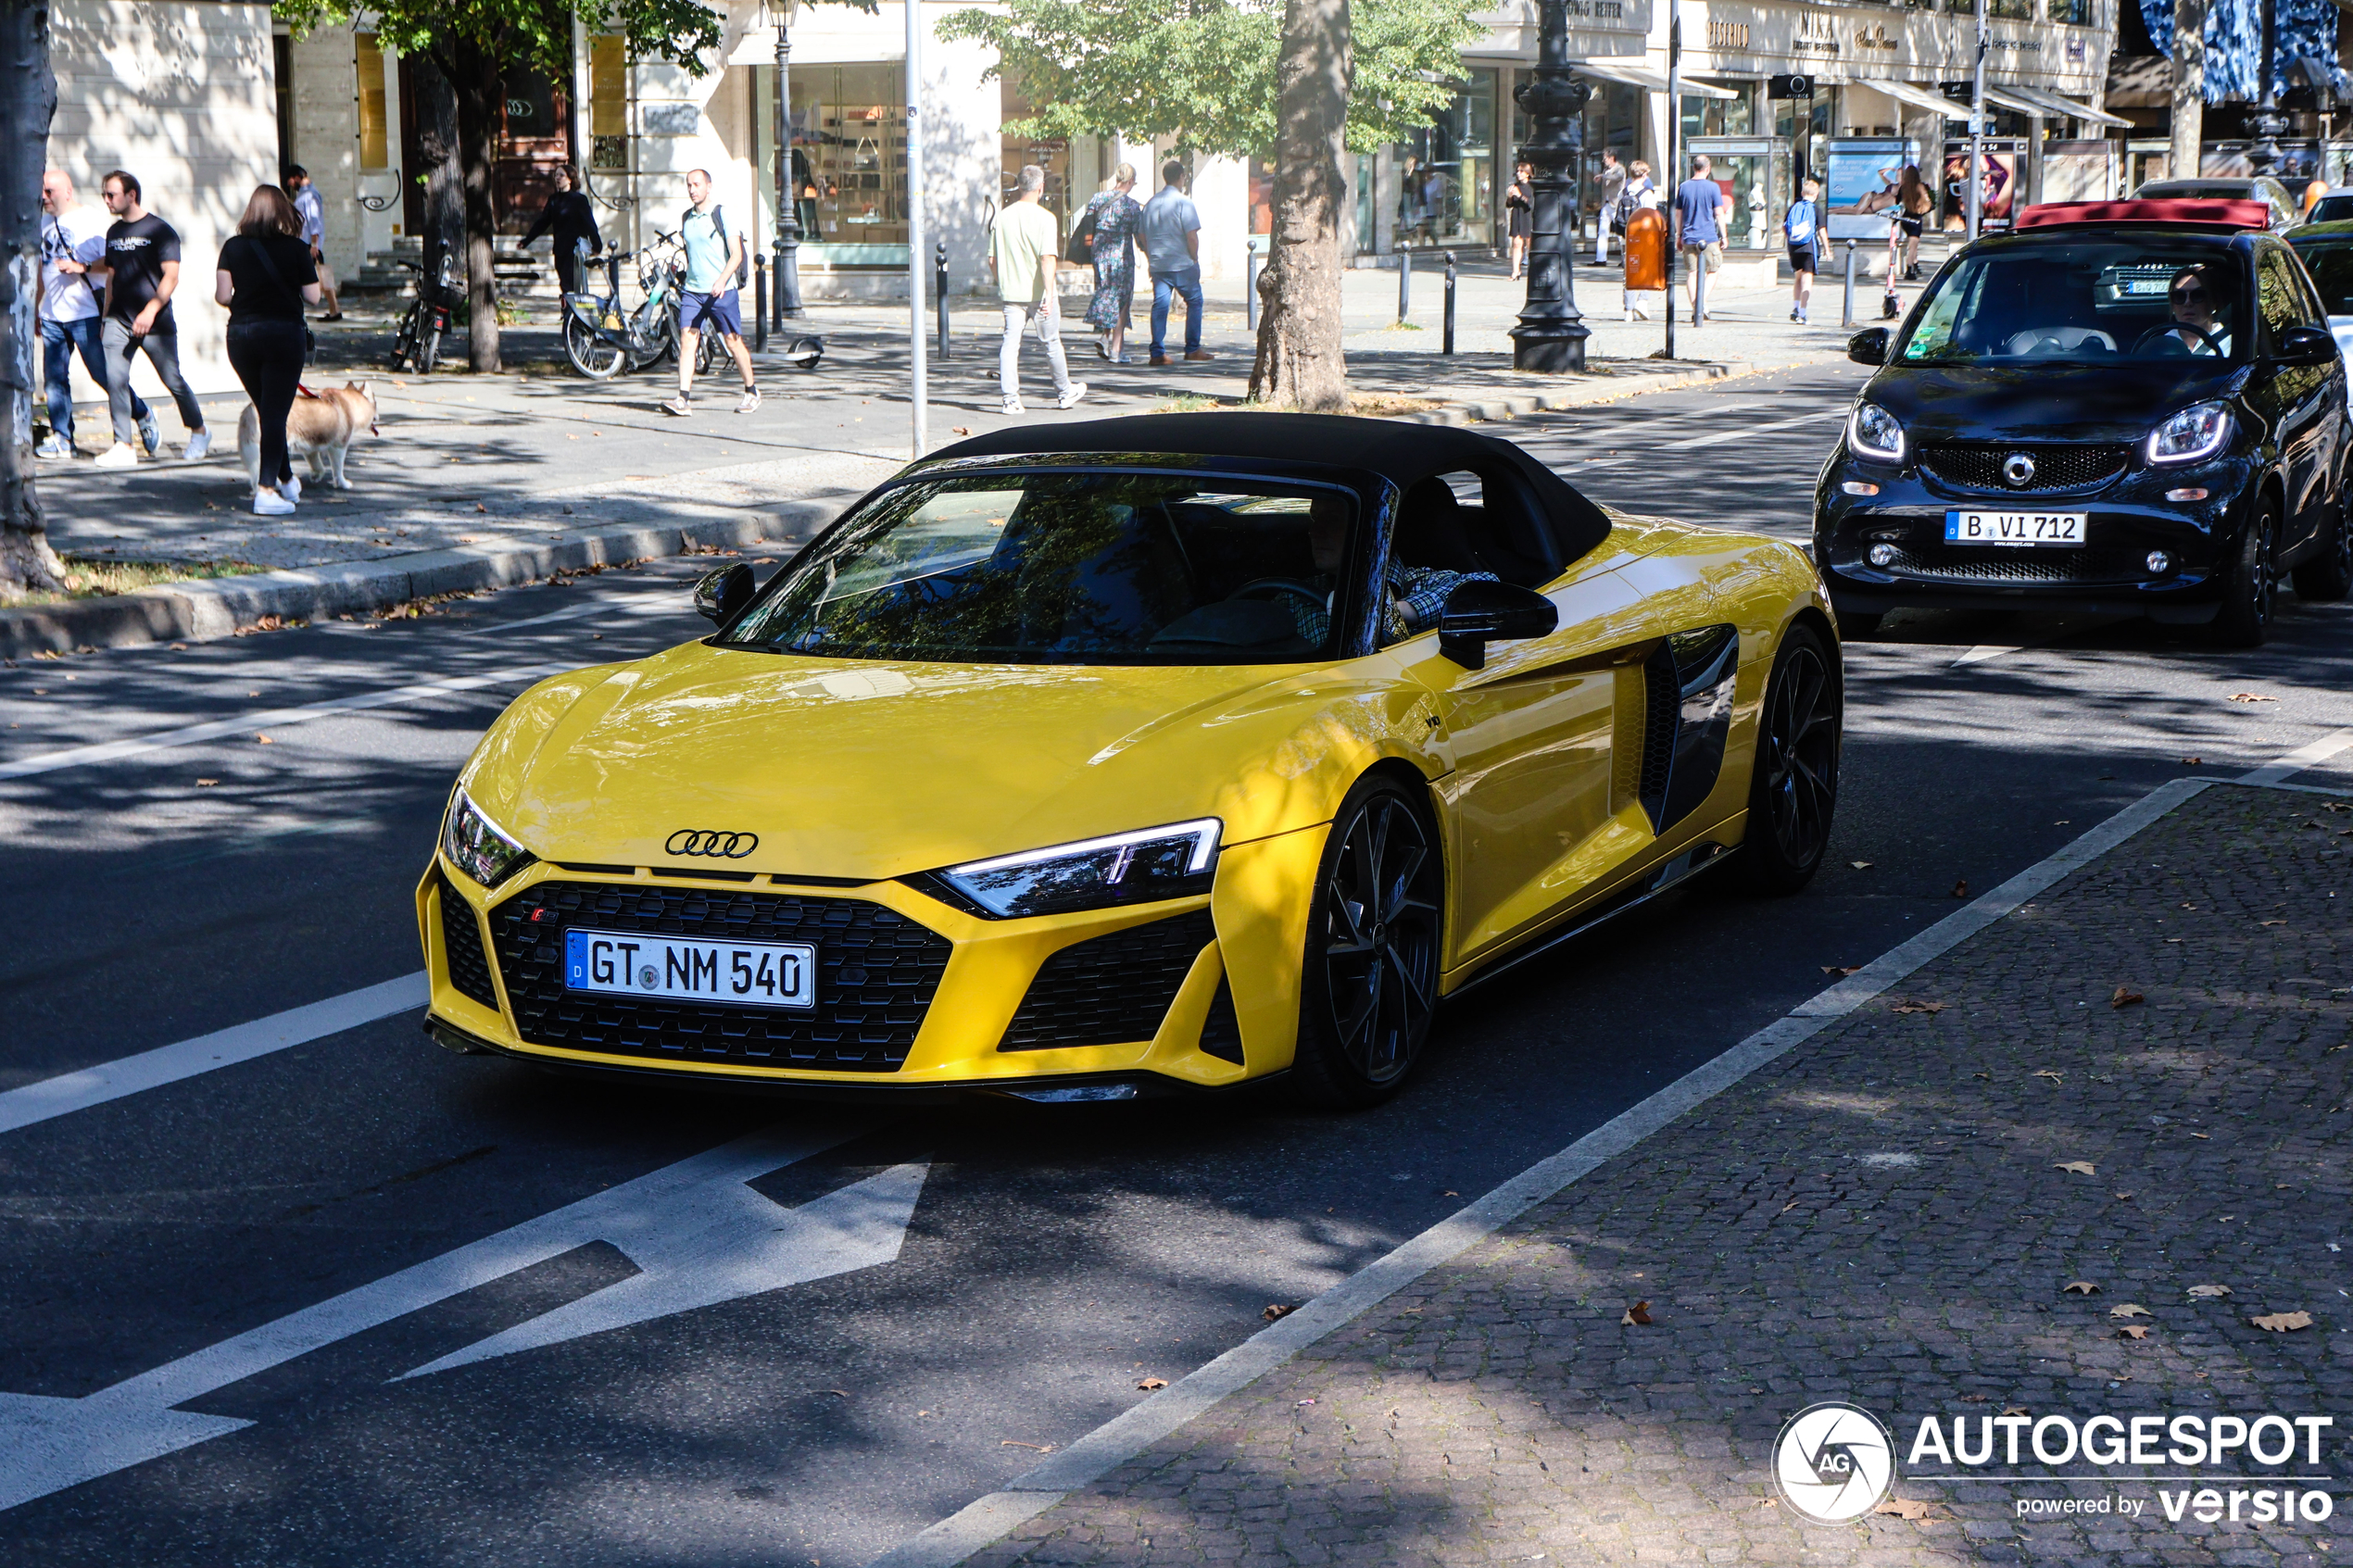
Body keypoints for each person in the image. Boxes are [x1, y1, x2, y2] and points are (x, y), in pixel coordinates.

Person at [81, 169, 208, 469]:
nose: (106, 200)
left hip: (155, 322)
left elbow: (171, 276)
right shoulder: (114, 233)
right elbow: (112, 274)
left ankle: (200, 431)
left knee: (172, 379)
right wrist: (105, 316)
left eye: (111, 194)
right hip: (118, 321)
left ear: (131, 195)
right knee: (115, 379)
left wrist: (150, 310)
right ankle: (123, 444)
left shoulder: (160, 231)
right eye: (104, 194)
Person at [1283, 485, 1500, 650]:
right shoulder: (1293, 597)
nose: (1315, 531)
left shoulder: (1421, 582)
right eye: (1314, 518)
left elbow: (1487, 589)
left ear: (1372, 530)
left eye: (1332, 519)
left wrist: (1391, 611)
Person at [215, 184, 321, 516]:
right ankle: (265, 491)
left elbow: (222, 295)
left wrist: (248, 299)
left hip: (242, 336)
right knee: (275, 415)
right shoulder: (296, 249)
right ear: (283, 213)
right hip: (282, 336)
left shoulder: (232, 247)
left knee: (268, 410)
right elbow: (315, 297)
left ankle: (287, 479)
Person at [35, 169, 152, 461]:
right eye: (43, 191)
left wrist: (81, 266)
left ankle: (141, 412)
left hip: (84, 310)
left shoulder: (89, 219)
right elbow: (42, 268)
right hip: (52, 315)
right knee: (54, 379)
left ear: (68, 191)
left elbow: (112, 262)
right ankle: (62, 438)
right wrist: (38, 307)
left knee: (103, 374)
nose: (44, 197)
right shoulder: (43, 222)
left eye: (50, 191)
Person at [988, 163, 1087, 415]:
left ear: (1019, 185)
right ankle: (1064, 392)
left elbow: (992, 260)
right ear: (1041, 187)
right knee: (1051, 342)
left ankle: (1010, 399)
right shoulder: (1046, 218)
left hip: (1012, 294)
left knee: (1010, 345)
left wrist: (1003, 281)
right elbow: (1047, 259)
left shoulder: (1002, 216)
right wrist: (1049, 291)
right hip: (1040, 294)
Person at [661, 168, 761, 417]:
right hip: (693, 292)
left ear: (709, 186)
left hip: (721, 291)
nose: (692, 189)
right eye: (688, 185)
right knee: (687, 339)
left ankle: (752, 391)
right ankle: (683, 399)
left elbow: (736, 255)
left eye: (696, 184)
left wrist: (721, 280)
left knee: (732, 342)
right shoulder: (687, 218)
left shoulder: (722, 214)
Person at [1141, 157, 1209, 367]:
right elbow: (1192, 236)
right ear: (1181, 177)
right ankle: (1192, 348)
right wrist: (1194, 257)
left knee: (1160, 305)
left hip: (1159, 263)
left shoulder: (1151, 203)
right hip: (1181, 263)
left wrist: (1150, 254)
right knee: (1195, 301)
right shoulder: (1183, 202)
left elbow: (1142, 236)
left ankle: (1157, 351)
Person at [1079, 163, 1144, 364]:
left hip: (1099, 252)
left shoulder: (1098, 198)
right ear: (1131, 181)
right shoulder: (1132, 206)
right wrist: (1147, 251)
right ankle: (1116, 349)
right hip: (1121, 254)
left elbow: (1088, 224)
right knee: (1122, 300)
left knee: (1106, 292)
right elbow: (1139, 234)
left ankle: (1105, 337)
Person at [522, 163, 602, 296]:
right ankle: (567, 313)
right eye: (556, 175)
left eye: (561, 175)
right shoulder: (553, 200)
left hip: (576, 249)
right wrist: (527, 240)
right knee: (564, 284)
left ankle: (569, 313)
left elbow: (589, 223)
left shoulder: (579, 200)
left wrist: (597, 245)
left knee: (570, 284)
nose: (558, 178)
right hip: (560, 249)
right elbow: (543, 222)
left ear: (570, 179)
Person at [1670, 155, 1729, 323]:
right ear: (1708, 169)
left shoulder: (1683, 187)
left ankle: (1696, 307)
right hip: (1708, 237)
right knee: (1713, 270)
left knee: (1692, 273)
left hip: (1688, 237)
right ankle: (1700, 303)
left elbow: (1678, 213)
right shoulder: (1713, 188)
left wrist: (1679, 235)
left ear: (1694, 168)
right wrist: (1724, 235)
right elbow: (1718, 212)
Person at [283, 166, 342, 320]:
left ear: (296, 177)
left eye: (289, 180)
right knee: (323, 276)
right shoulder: (306, 194)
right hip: (309, 243)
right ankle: (335, 310)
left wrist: (315, 245)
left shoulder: (308, 195)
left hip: (309, 244)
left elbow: (313, 220)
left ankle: (332, 310)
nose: (289, 184)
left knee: (305, 277)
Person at [2155, 264, 2232, 356]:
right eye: (2179, 296)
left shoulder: (2232, 344)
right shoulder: (2160, 345)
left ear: (2213, 302)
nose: (2187, 303)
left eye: (2198, 295)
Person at [1621, 160, 1660, 322]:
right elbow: (1651, 218)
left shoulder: (1623, 192)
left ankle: (1628, 311)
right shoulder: (1647, 194)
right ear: (1644, 175)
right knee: (1647, 269)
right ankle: (1642, 302)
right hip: (1643, 238)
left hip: (1625, 237)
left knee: (1629, 272)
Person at [1785, 175, 1822, 325]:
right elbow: (1822, 230)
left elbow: (1785, 227)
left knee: (1798, 278)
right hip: (1808, 247)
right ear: (1816, 195)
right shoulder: (1816, 210)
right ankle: (1803, 313)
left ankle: (1795, 308)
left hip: (1793, 246)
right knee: (1807, 279)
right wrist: (1827, 248)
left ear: (1802, 193)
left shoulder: (1793, 208)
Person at [1593, 149, 1627, 265]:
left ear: (1612, 158)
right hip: (1606, 204)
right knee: (1602, 231)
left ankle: (1625, 259)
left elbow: (1616, 178)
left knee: (1620, 232)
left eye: (1605, 158)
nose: (1604, 161)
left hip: (1616, 204)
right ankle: (1600, 259)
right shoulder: (1606, 170)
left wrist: (1602, 176)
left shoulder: (1620, 169)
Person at [1504, 162, 1533, 281]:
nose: (1518, 173)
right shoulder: (1515, 186)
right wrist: (1510, 196)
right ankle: (1516, 271)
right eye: (1518, 171)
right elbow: (1508, 205)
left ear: (1527, 173)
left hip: (1528, 215)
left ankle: (1533, 270)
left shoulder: (1532, 186)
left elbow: (1531, 203)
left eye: (1521, 171)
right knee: (1517, 243)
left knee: (1530, 244)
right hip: (1517, 215)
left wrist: (1520, 195)